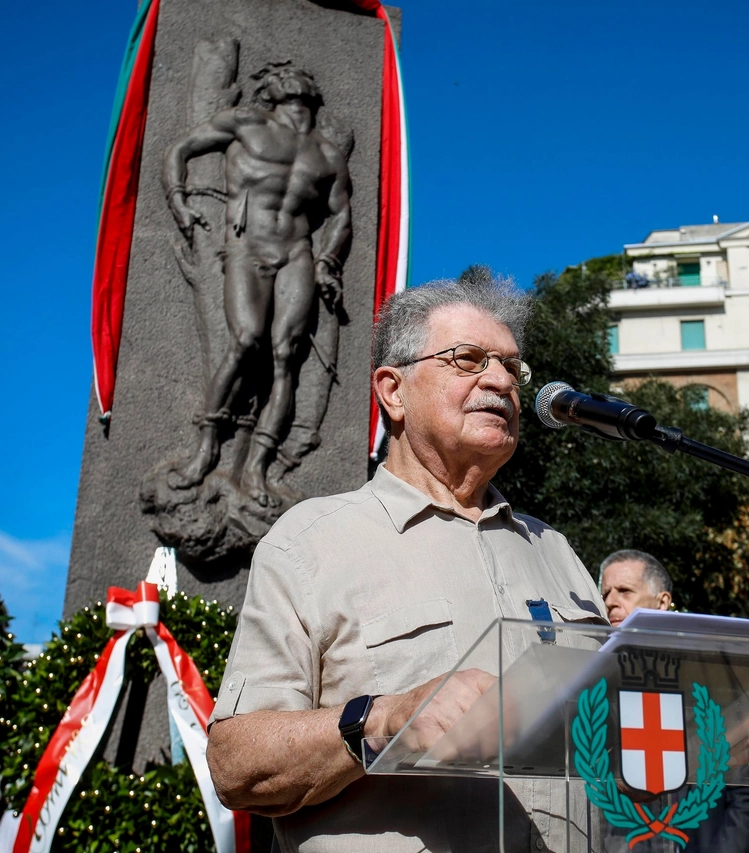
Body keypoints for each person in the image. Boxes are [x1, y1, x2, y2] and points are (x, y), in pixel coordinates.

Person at [207, 275, 609, 852]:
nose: (500, 381)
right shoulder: (311, 542)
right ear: (393, 391)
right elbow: (236, 764)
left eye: (511, 368)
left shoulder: (555, 551)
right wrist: (382, 720)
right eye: (467, 360)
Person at [163, 60, 352, 504]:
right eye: (280, 73)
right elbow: (180, 149)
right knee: (246, 340)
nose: (292, 74)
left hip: (296, 252)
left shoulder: (327, 153)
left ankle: (256, 467)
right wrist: (179, 202)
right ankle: (206, 447)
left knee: (286, 355)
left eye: (298, 73)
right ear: (269, 90)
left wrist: (327, 260)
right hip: (248, 245)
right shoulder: (247, 121)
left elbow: (341, 214)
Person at [598, 549, 749, 853]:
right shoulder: (592, 688)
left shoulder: (712, 680)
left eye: (624, 591)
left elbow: (746, 803)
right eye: (605, 593)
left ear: (662, 602)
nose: (611, 601)